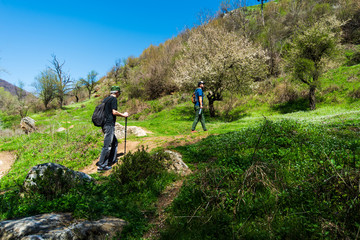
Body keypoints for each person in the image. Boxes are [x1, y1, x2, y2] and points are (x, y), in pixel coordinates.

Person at [96, 86, 128, 171]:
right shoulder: (113, 99)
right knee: (107, 145)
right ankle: (102, 165)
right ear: (117, 92)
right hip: (109, 124)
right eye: (119, 93)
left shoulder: (106, 99)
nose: (119, 94)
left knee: (114, 142)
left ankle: (111, 160)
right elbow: (114, 112)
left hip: (104, 124)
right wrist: (123, 115)